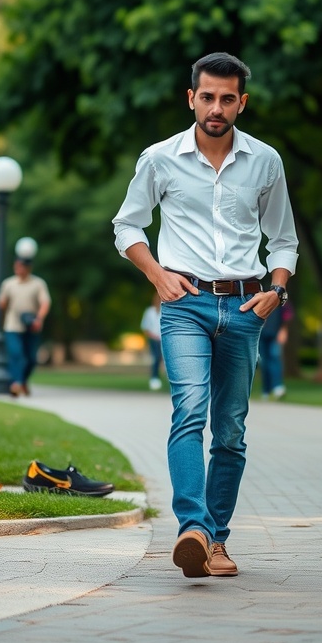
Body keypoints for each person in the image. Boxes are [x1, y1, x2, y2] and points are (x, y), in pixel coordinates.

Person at [112, 52, 298, 579]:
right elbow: (127, 226)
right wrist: (156, 274)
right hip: (185, 305)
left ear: (242, 102)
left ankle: (215, 541)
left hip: (244, 305)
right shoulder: (159, 158)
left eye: (227, 98)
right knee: (189, 410)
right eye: (207, 96)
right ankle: (192, 529)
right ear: (190, 97)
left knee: (232, 430)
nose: (217, 107)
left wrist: (276, 291)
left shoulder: (266, 161)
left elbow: (283, 240)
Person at [0, 256, 51, 397]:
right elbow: (1, 303)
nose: (18, 269)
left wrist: (38, 319)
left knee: (31, 359)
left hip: (31, 325)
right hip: (13, 325)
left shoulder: (38, 283)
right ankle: (16, 384)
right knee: (16, 354)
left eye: (21, 267)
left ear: (28, 268)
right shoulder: (8, 284)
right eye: (16, 266)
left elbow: (45, 303)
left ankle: (23, 381)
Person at [258, 301, 292, 399]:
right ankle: (266, 390)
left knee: (275, 358)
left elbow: (287, 314)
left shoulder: (280, 296)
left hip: (275, 333)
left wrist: (284, 330)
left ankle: (278, 386)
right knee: (264, 362)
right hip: (261, 334)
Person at [140, 292, 163, 390]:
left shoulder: (165, 311)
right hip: (154, 339)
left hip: (164, 338)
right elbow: (145, 327)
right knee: (156, 357)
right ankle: (154, 378)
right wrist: (153, 336)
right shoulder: (150, 312)